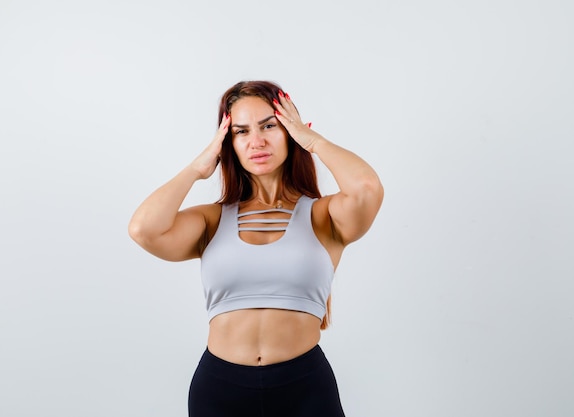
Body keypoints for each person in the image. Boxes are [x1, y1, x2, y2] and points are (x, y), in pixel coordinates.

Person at [128, 80, 384, 417]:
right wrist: (196, 169)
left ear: (289, 131)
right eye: (241, 132)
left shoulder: (324, 216)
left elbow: (366, 188)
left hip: (304, 388)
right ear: (227, 143)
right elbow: (143, 229)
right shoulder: (212, 220)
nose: (256, 141)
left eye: (269, 126)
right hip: (220, 389)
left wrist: (313, 141)